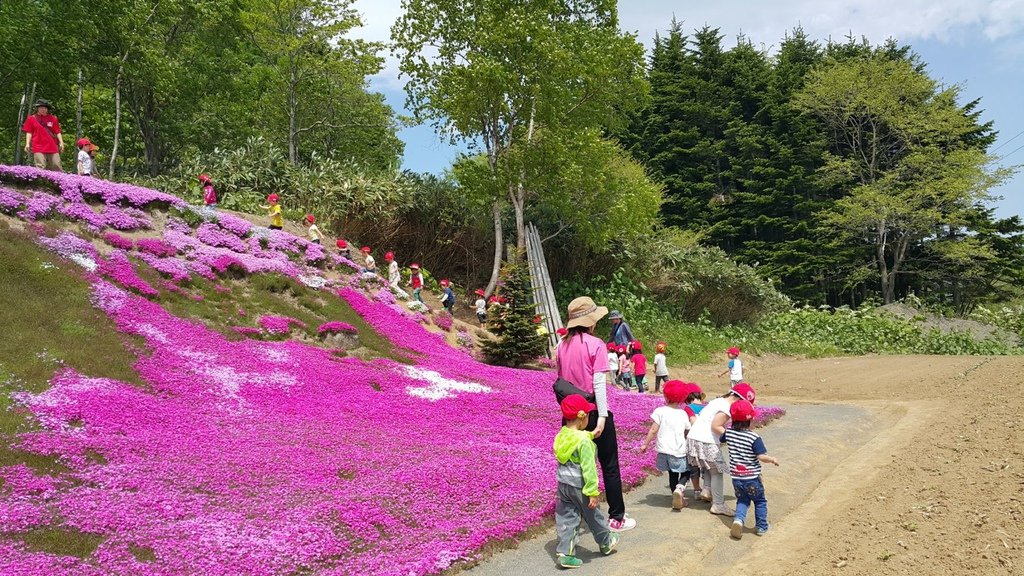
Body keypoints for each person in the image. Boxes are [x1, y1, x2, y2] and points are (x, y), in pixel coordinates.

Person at [555, 296, 635, 532]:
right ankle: (616, 518)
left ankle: (579, 516)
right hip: (593, 412)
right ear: (590, 321)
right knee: (609, 465)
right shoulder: (596, 344)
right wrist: (601, 416)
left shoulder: (560, 345)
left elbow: (562, 381)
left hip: (571, 417)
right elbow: (599, 382)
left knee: (576, 466)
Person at [553, 394, 620, 569]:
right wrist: (592, 492)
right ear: (583, 418)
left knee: (567, 517)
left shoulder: (562, 434)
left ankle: (565, 553)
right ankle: (606, 542)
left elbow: (575, 438)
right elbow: (589, 469)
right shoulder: (584, 443)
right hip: (581, 486)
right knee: (593, 516)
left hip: (563, 485)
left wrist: (590, 435)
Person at [687, 382, 757, 515]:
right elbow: (715, 425)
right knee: (717, 471)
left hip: (694, 437)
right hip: (706, 440)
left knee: (709, 466)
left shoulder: (718, 401)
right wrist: (733, 437)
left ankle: (707, 489)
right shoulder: (727, 407)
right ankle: (718, 504)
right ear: (740, 399)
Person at [721, 399, 779, 539]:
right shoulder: (754, 437)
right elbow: (761, 456)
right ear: (751, 419)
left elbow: (721, 438)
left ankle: (738, 520)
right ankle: (762, 527)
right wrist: (772, 459)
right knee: (760, 501)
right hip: (752, 478)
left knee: (742, 501)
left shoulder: (729, 433)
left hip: (737, 478)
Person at [640, 380, 695, 510]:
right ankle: (680, 490)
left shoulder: (660, 411)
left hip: (664, 450)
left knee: (672, 474)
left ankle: (676, 496)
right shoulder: (682, 413)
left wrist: (645, 444)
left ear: (666, 396)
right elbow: (688, 430)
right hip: (678, 450)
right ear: (682, 398)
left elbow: (653, 429)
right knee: (687, 471)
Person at [22, 99, 64, 171]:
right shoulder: (31, 119)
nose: (43, 109)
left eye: (45, 108)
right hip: (38, 146)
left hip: (52, 145)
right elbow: (29, 132)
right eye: (41, 107)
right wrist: (27, 144)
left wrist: (61, 142)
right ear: (37, 108)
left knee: (56, 165)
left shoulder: (53, 118)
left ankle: (57, 182)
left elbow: (57, 131)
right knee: (40, 166)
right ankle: (41, 182)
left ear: (47, 109)